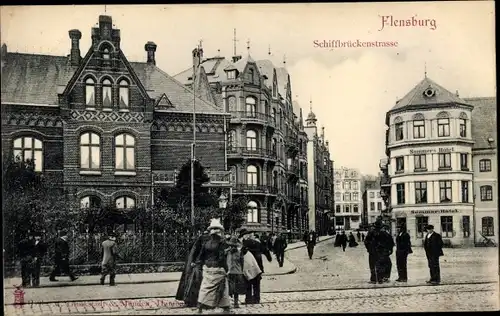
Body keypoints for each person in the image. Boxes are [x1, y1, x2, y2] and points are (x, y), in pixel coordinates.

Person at [197, 219, 231, 313]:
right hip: (218, 268)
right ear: (219, 231)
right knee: (224, 287)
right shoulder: (221, 243)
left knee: (205, 287)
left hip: (207, 268)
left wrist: (201, 265)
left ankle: (200, 305)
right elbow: (221, 258)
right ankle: (225, 306)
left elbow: (201, 256)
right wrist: (226, 269)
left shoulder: (206, 243)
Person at [176, 230, 210, 307]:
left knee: (194, 282)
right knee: (197, 281)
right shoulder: (205, 239)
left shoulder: (200, 239)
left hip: (196, 263)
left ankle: (192, 300)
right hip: (198, 264)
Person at [240, 228, 272, 304]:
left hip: (248, 267)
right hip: (258, 266)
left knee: (248, 283)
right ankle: (256, 299)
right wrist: (269, 258)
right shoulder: (257, 243)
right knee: (256, 284)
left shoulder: (243, 244)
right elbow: (265, 250)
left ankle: (248, 299)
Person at [226, 236, 246, 308]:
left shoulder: (238, 253)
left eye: (234, 246)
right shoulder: (227, 252)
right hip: (231, 272)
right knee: (230, 288)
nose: (233, 247)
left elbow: (242, 262)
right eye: (232, 246)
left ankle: (235, 303)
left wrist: (241, 270)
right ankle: (230, 303)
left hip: (236, 272)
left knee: (236, 288)